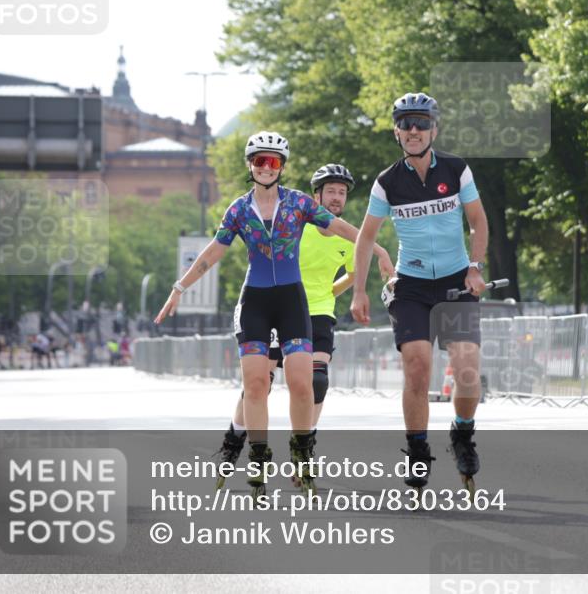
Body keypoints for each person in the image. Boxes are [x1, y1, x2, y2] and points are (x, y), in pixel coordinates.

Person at [155, 131, 366, 495]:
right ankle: (257, 457)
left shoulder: (298, 203)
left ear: (282, 167)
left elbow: (341, 228)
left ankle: (302, 454)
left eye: (274, 162)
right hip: (254, 302)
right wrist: (179, 287)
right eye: (259, 161)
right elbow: (210, 254)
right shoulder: (238, 210)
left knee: (303, 383)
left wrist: (374, 246)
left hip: (291, 302)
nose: (266, 167)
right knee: (256, 385)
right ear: (250, 165)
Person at [212, 163, 394, 487]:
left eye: (342, 192)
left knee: (318, 381)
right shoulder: (297, 221)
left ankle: (303, 451)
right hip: (275, 306)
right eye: (331, 191)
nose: (337, 198)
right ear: (317, 195)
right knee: (260, 383)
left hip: (318, 312)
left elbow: (353, 273)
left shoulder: (346, 237)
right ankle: (234, 440)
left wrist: (331, 292)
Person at [350, 92, 489, 491]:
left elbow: (478, 221)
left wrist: (475, 267)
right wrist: (359, 291)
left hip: (455, 281)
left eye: (421, 123)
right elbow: (365, 238)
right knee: (417, 366)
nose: (414, 130)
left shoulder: (456, 169)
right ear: (396, 131)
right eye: (406, 123)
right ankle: (416, 450)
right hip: (410, 285)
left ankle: (462, 434)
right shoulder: (387, 182)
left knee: (466, 367)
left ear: (434, 129)